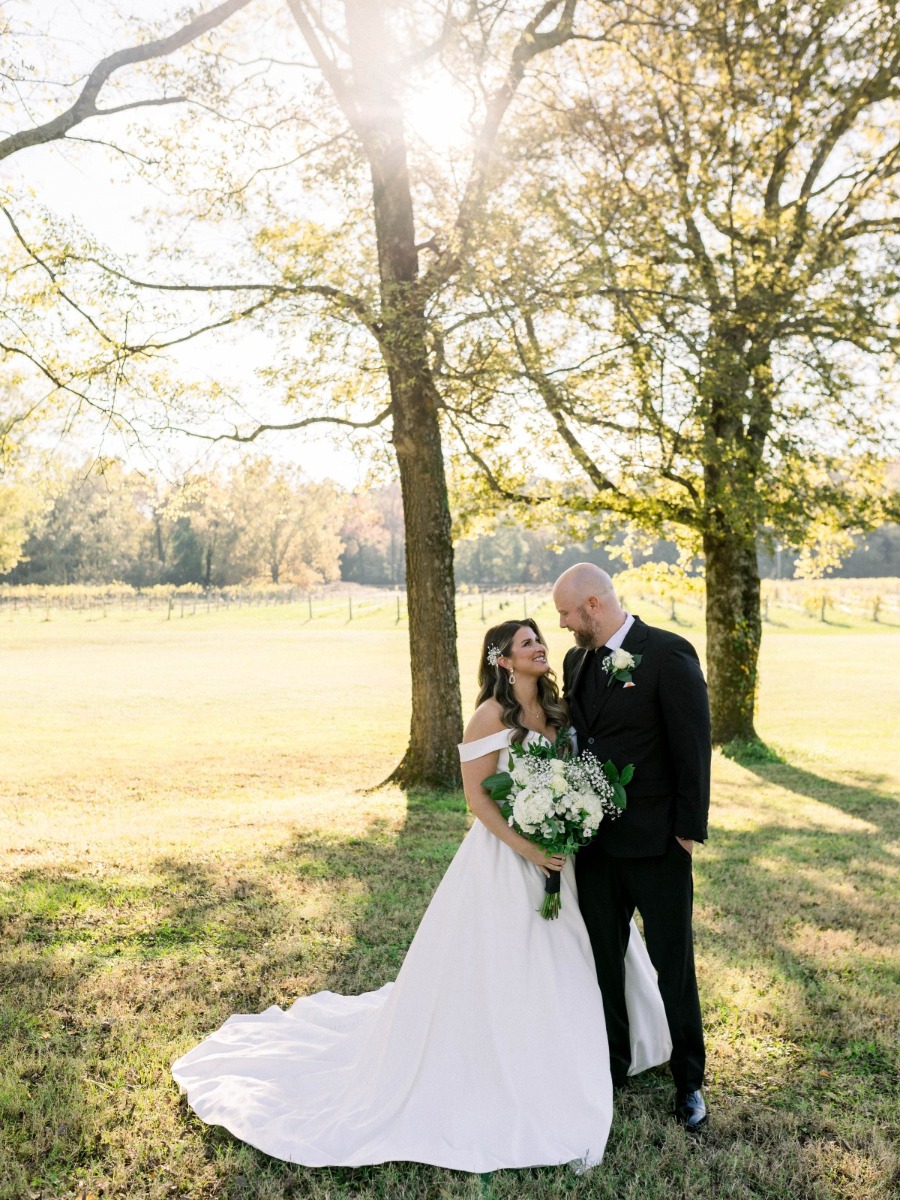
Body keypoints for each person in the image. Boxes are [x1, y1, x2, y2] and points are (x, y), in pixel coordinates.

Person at [171, 617, 671, 1173]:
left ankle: (598, 1048)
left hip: (562, 855)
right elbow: (479, 800)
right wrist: (528, 849)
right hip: (507, 859)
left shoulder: (557, 710)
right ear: (502, 660)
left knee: (582, 950)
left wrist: (565, 825)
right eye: (526, 643)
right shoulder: (488, 716)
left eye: (539, 640)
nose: (539, 647)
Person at [552, 563, 711, 1132]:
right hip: (594, 847)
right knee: (603, 962)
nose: (564, 625)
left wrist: (688, 832)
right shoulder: (577, 661)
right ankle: (613, 1067)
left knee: (674, 966)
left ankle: (689, 1082)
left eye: (568, 614)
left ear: (593, 605)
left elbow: (693, 745)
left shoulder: (668, 654)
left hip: (659, 844)